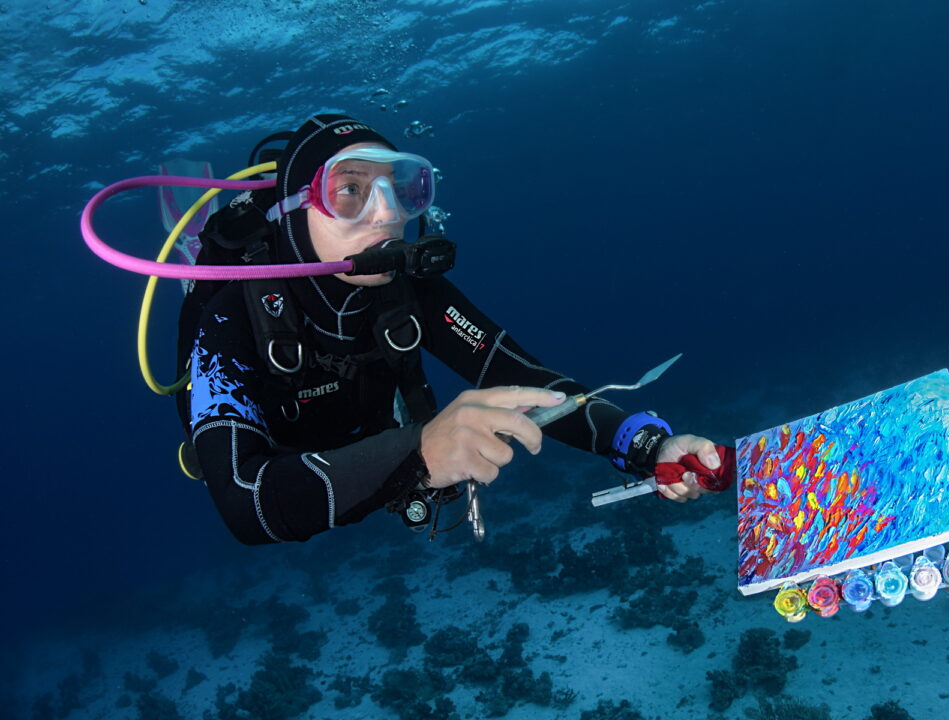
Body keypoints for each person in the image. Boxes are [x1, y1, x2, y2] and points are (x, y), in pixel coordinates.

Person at [182, 113, 723, 545]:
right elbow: (244, 507)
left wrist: (650, 446)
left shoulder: (408, 290)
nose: (385, 215)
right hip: (288, 453)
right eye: (350, 191)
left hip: (368, 451)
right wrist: (420, 453)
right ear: (294, 209)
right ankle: (190, 240)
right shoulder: (232, 314)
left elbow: (528, 381)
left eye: (399, 189)